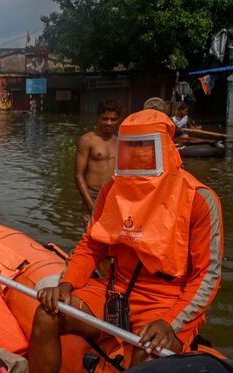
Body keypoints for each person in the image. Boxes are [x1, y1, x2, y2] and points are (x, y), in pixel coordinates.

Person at [28, 109, 223, 373]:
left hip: (166, 300)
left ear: (165, 147)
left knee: (149, 355)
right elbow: (91, 244)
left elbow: (206, 276)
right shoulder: (112, 190)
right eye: (132, 146)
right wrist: (67, 283)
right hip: (113, 290)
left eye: (146, 145)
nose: (139, 153)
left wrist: (171, 322)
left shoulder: (199, 199)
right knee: (46, 315)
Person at [75, 100, 122, 228]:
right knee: (90, 237)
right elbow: (79, 176)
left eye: (113, 119)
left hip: (113, 197)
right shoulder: (87, 140)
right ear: (98, 118)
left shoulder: (119, 142)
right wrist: (90, 204)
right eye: (105, 119)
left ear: (118, 120)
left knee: (111, 237)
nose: (109, 123)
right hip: (93, 196)